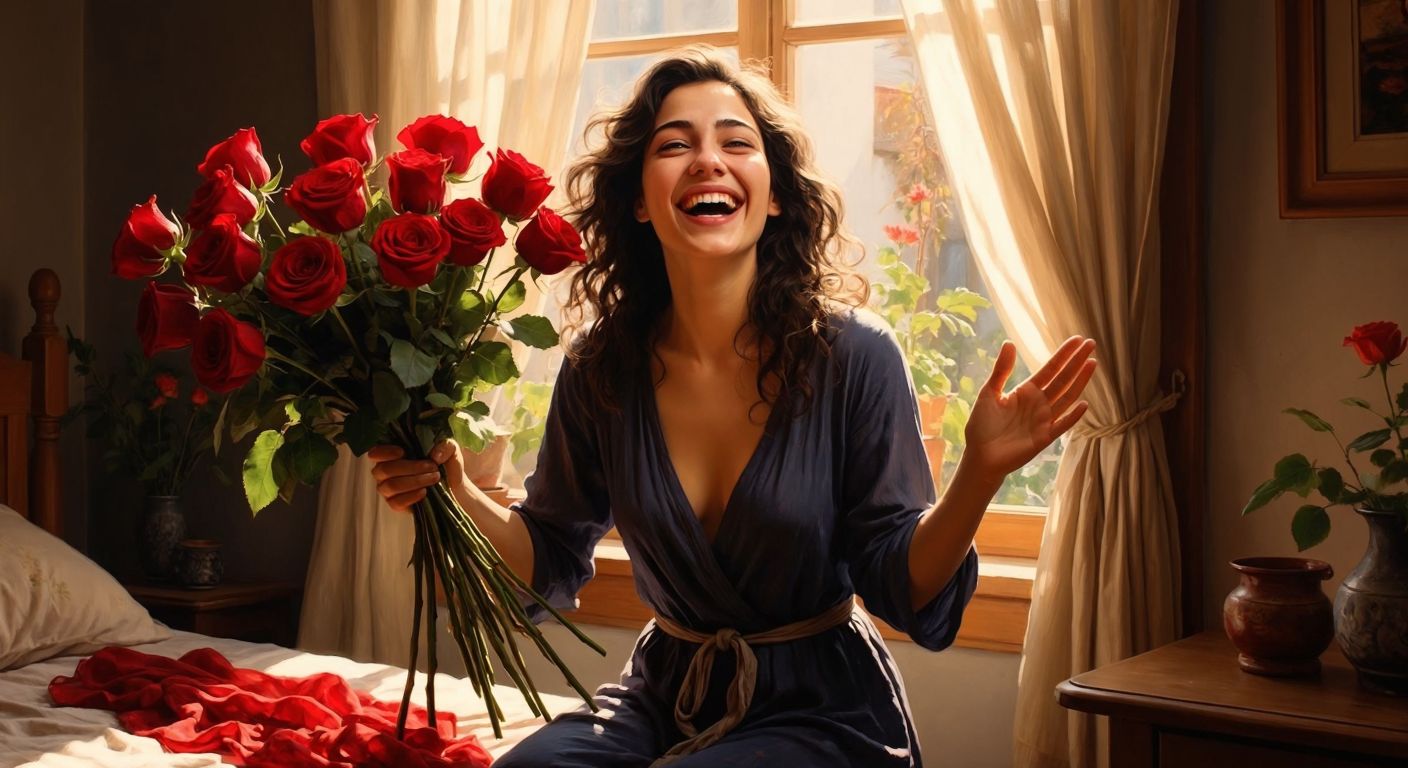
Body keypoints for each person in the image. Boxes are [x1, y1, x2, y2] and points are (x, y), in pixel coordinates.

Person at [368, 46, 1096, 767]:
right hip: (663, 695)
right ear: (639, 200)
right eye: (675, 145)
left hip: (826, 709)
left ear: (774, 193)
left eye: (736, 142)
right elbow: (549, 555)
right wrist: (457, 492)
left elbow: (902, 586)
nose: (707, 160)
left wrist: (980, 474)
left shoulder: (856, 357)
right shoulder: (599, 365)